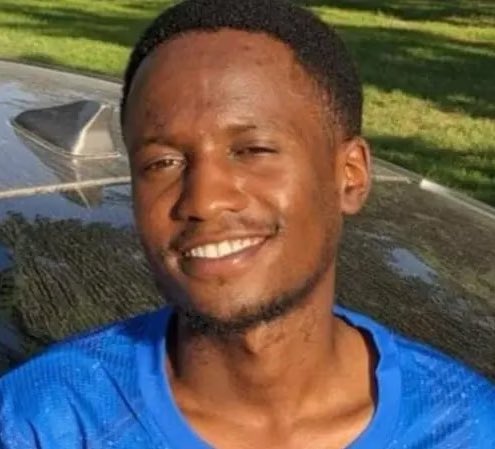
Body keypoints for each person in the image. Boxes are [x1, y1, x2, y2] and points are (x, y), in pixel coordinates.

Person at [1, 0, 494, 447]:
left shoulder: (466, 428)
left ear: (350, 176)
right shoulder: (42, 423)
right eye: (162, 163)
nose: (204, 200)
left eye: (253, 150)